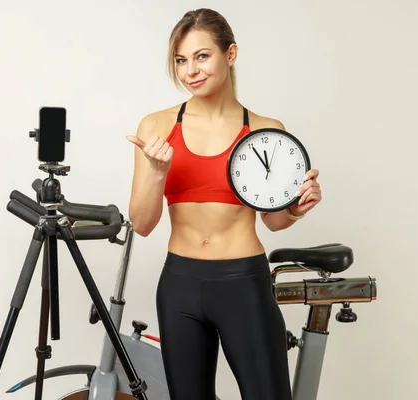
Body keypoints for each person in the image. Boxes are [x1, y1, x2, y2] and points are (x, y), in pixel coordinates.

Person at [126, 8, 322, 400]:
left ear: (229, 54)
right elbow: (142, 223)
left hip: (242, 283)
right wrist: (156, 170)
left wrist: (296, 209)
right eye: (181, 60)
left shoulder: (266, 130)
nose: (190, 71)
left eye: (202, 56)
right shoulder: (157, 127)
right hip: (179, 284)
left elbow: (273, 220)